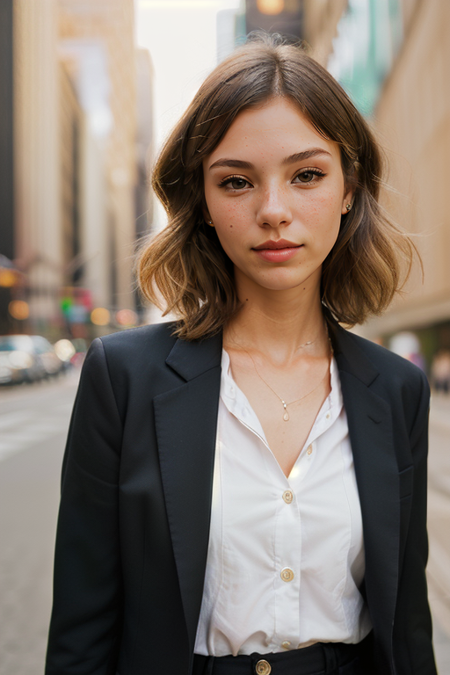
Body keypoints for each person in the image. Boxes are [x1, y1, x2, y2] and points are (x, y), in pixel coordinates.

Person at [45, 34, 437, 675]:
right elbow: (81, 635)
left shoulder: (396, 391)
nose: (273, 211)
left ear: (348, 186)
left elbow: (408, 627)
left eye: (306, 174)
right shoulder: (123, 379)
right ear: (201, 202)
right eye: (236, 182)